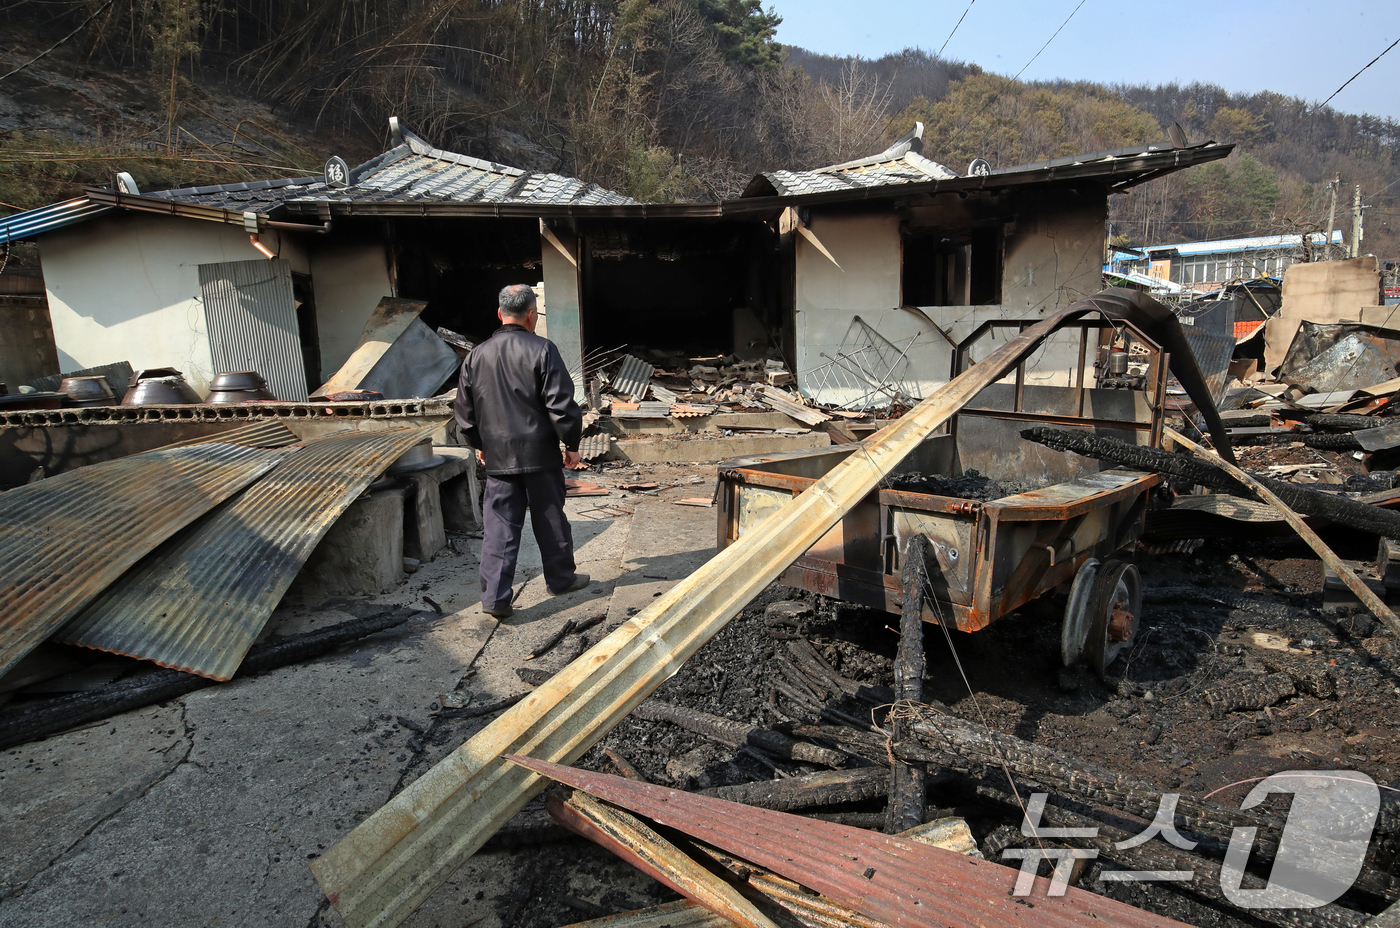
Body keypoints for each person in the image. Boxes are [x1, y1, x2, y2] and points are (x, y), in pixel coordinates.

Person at [454, 284, 589, 618]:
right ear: (532, 315)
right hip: (540, 456)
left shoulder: (475, 355)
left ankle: (496, 599)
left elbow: (464, 413)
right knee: (551, 519)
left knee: (499, 528)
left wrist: (478, 445)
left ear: (500, 314)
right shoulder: (543, 350)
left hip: (499, 459)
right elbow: (562, 406)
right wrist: (571, 445)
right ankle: (560, 579)